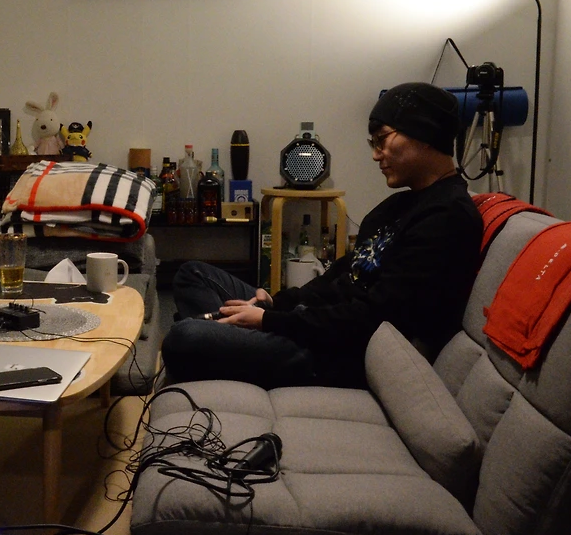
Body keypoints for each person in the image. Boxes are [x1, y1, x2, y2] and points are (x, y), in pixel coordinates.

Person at [162, 82, 482, 390]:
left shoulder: (448, 217)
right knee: (192, 274)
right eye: (373, 143)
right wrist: (276, 303)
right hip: (313, 323)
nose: (376, 154)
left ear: (425, 134)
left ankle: (222, 340)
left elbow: (374, 317)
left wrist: (269, 322)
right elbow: (342, 274)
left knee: (184, 337)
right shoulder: (399, 204)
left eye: (383, 139)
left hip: (334, 352)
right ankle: (227, 339)